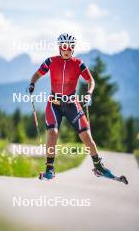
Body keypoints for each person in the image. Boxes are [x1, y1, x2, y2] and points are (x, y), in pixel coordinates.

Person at [28, 33, 110, 180]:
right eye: (64, 46)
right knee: (52, 133)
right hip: (55, 104)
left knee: (86, 136)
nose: (67, 49)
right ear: (60, 47)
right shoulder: (50, 61)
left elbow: (91, 81)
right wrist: (32, 83)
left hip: (72, 104)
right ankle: (49, 169)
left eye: (70, 46)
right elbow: (36, 74)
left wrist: (89, 93)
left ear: (73, 48)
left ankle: (99, 167)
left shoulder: (79, 64)